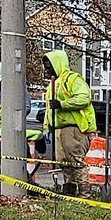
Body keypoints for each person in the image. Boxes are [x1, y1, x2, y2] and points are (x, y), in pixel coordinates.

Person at [42, 48, 96, 194]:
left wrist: (62, 104)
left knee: (76, 161)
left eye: (49, 67)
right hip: (59, 128)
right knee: (64, 161)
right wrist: (47, 127)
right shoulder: (54, 84)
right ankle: (69, 190)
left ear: (57, 64)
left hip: (74, 128)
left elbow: (84, 98)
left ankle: (85, 193)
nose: (47, 71)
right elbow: (49, 108)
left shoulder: (72, 79)